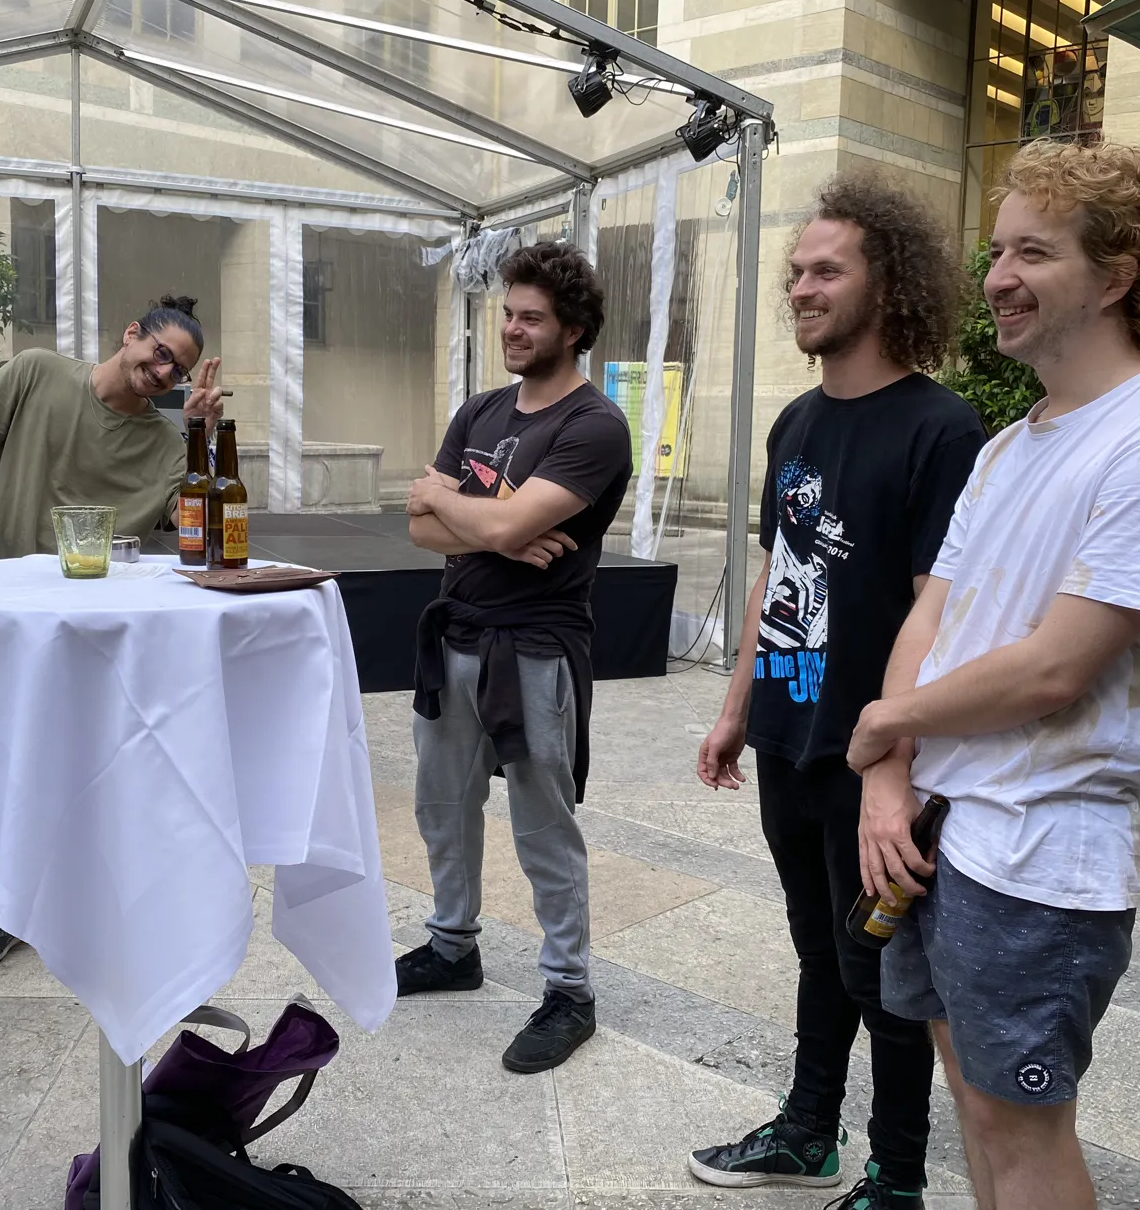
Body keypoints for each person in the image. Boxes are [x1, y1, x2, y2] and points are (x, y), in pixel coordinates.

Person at [848, 141, 1140, 1210]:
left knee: (1019, 1133)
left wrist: (882, 721)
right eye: (995, 252)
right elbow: (934, 613)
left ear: (1116, 275)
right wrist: (888, 770)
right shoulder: (1006, 447)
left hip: (1042, 851)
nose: (997, 278)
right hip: (939, 828)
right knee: (974, 1114)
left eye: (1033, 251)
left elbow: (1056, 668)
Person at [687, 175, 985, 1210]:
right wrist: (737, 710)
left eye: (827, 271)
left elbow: (939, 613)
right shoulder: (795, 422)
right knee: (818, 949)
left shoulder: (942, 429)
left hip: (874, 760)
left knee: (884, 974)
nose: (802, 289)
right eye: (796, 272)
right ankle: (809, 1129)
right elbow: (777, 576)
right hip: (787, 732)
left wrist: (893, 765)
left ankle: (896, 1178)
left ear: (887, 283)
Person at [0, 295, 223, 963]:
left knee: (81, 769)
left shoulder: (165, 445)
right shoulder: (37, 373)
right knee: (0, 765)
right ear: (131, 333)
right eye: (160, 354)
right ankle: (20, 897)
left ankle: (41, 901)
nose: (163, 373)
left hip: (98, 634)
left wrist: (202, 434)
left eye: (177, 371)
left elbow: (202, 521)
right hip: (7, 614)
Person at [398, 241, 630, 1073]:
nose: (512, 329)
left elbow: (466, 517)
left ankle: (570, 990)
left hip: (535, 648)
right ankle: (451, 946)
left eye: (532, 318)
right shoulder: (481, 411)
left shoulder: (593, 426)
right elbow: (419, 529)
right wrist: (496, 530)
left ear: (574, 330)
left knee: (543, 824)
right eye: (507, 314)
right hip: (455, 635)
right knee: (441, 805)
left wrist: (458, 504)